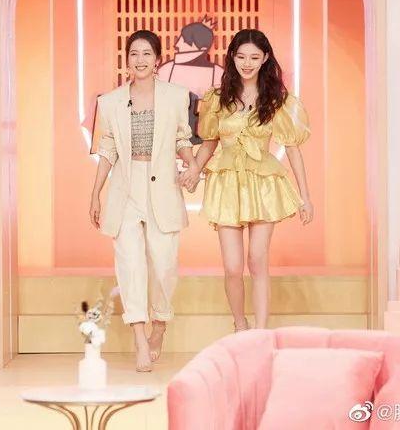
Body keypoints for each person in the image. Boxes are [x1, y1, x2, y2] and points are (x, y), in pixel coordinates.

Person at [180, 29, 313, 331]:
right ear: (232, 57)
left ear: (265, 58)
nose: (247, 63)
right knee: (232, 266)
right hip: (227, 184)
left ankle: (261, 332)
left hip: (263, 183)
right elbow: (209, 143)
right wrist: (194, 170)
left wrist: (305, 197)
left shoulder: (277, 99)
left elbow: (293, 149)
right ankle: (240, 325)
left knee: (257, 260)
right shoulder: (217, 98)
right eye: (241, 57)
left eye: (254, 57)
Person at [90, 30, 199, 371]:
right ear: (127, 59)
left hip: (163, 185)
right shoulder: (110, 102)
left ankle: (159, 325)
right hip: (125, 188)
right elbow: (107, 149)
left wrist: (192, 165)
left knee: (164, 265)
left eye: (147, 54)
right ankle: (139, 338)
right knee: (130, 265)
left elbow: (182, 138)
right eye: (134, 54)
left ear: (157, 59)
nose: (140, 60)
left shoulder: (176, 96)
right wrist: (95, 193)